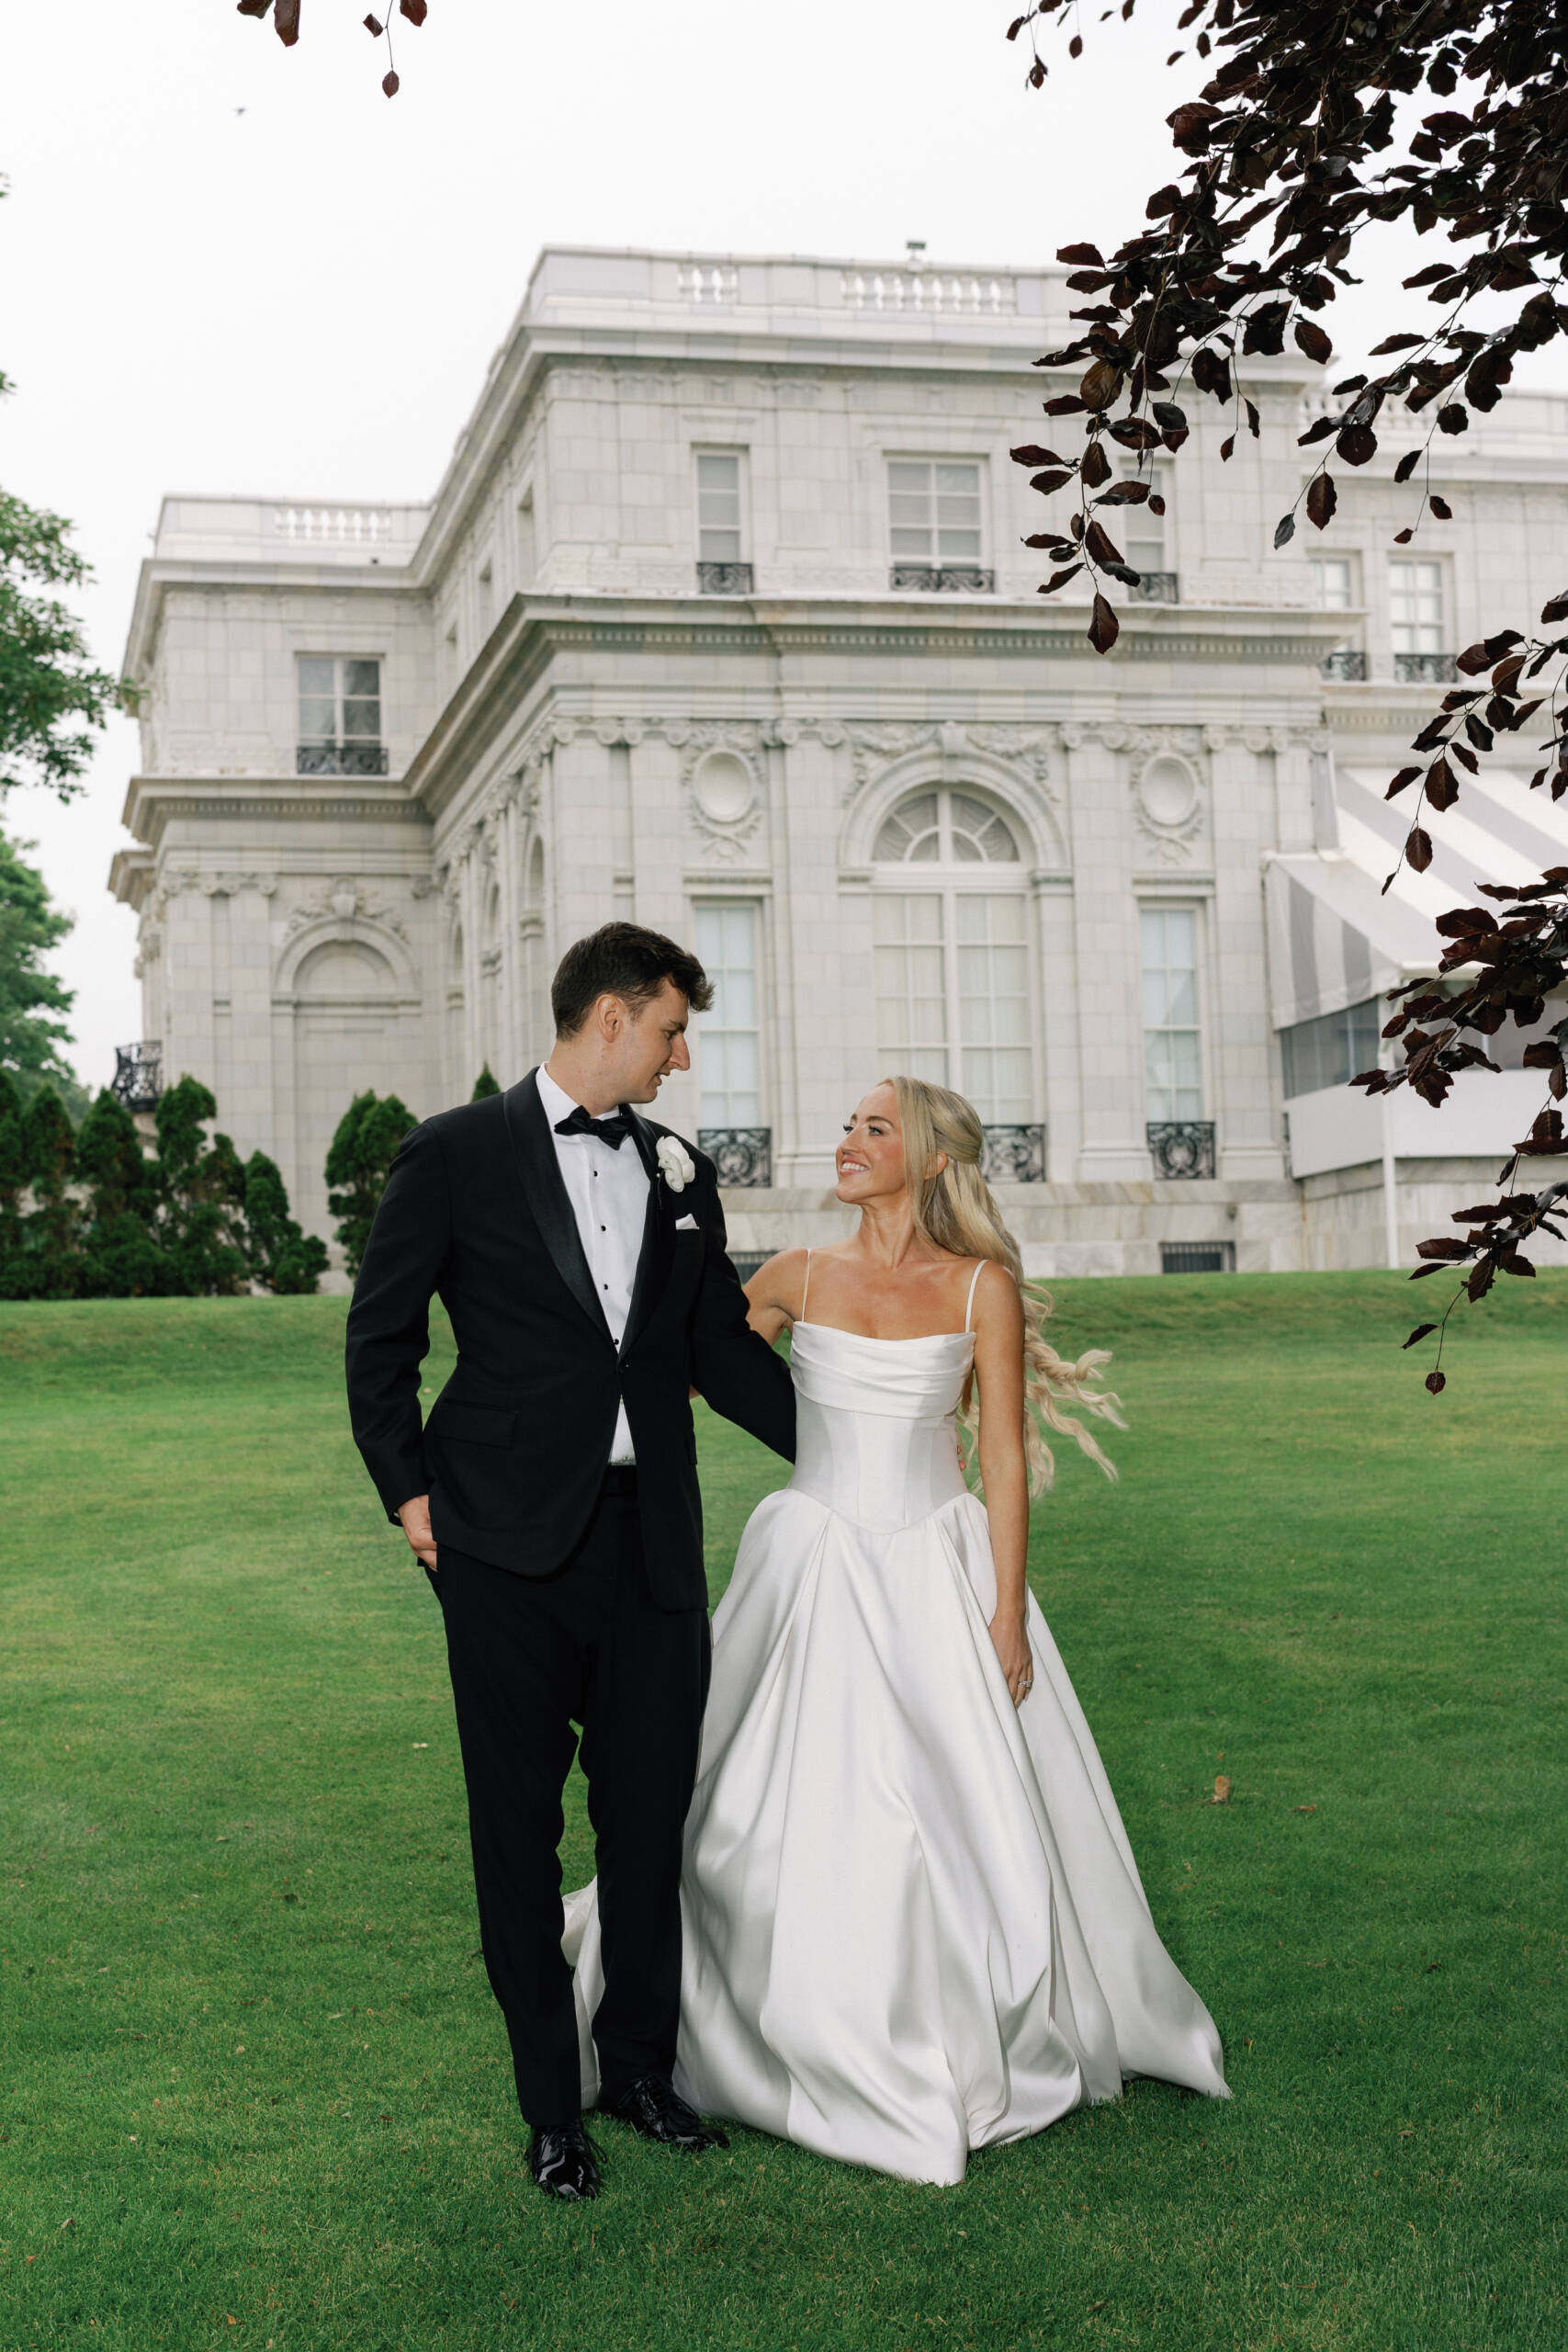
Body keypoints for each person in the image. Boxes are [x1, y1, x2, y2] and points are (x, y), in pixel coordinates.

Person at [564, 1074, 1228, 2185]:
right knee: (740, 1810)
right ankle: (757, 2021)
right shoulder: (792, 1274)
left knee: (945, 1813)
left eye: (875, 1128)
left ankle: (943, 2033)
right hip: (809, 1564)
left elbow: (1004, 1455)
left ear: (926, 1157)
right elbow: (676, 1374)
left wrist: (1005, 1608)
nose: (849, 1141)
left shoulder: (983, 1289)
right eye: (847, 1125)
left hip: (934, 1569)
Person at [344, 923, 795, 2202]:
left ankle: (642, 2072)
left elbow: (716, 1351)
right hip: (499, 1549)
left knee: (650, 1822)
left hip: (649, 1547)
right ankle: (553, 2110)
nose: (680, 1053)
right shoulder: (450, 1155)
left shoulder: (678, 1168)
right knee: (515, 1838)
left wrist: (853, 1444)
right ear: (609, 1017)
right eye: (669, 1027)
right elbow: (377, 1342)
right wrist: (407, 1493)